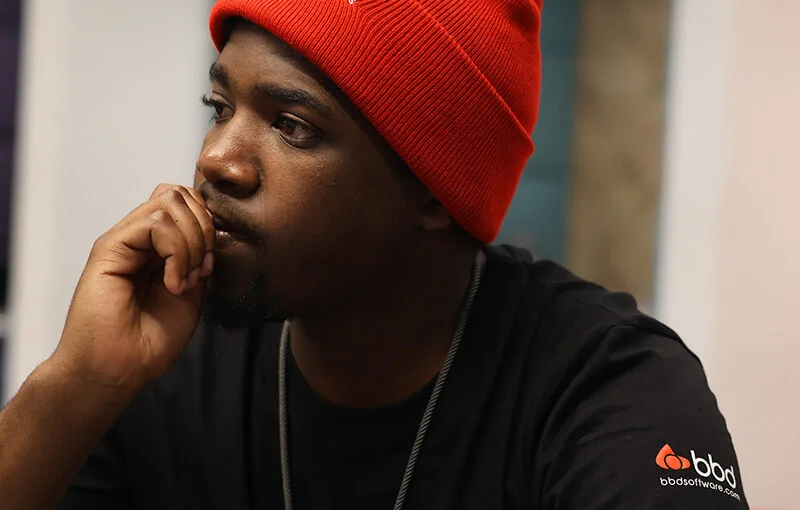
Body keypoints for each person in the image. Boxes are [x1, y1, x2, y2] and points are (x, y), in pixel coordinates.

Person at [0, 1, 749, 509]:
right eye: (220, 108)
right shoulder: (165, 366)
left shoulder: (601, 384)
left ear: (433, 191)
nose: (217, 159)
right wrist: (75, 385)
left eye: (292, 126)